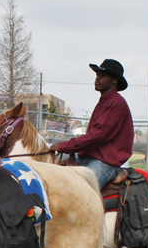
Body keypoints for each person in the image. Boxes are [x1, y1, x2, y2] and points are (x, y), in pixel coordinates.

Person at [49, 59, 134, 188]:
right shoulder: (104, 102)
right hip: (90, 157)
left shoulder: (116, 103)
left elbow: (97, 135)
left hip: (105, 163)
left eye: (102, 75)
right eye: (97, 75)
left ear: (114, 80)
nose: (97, 78)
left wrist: (65, 146)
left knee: (80, 192)